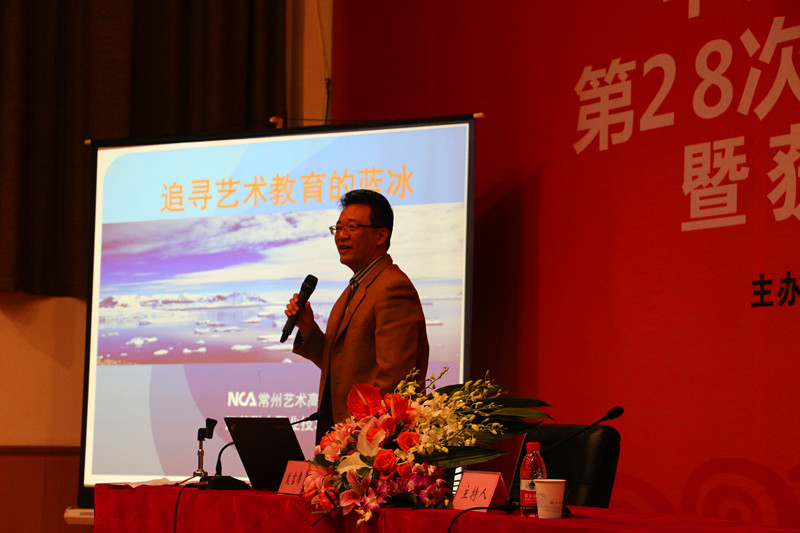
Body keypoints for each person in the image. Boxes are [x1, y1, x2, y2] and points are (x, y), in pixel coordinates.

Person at [285, 189, 429, 441]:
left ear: (381, 235)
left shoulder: (392, 287)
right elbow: (341, 365)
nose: (342, 235)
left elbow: (395, 379)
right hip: (343, 435)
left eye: (352, 227)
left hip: (370, 441)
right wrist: (308, 328)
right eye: (338, 228)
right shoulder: (354, 289)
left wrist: (359, 435)